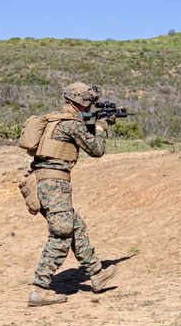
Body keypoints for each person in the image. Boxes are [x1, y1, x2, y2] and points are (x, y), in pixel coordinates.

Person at [25, 82, 117, 306]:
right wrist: (100, 129)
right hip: (55, 184)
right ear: (83, 102)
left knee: (75, 226)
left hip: (41, 182)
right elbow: (96, 150)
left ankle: (96, 274)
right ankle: (39, 288)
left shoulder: (52, 119)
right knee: (62, 234)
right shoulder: (72, 124)